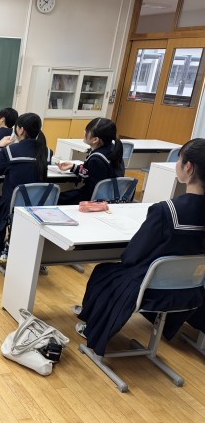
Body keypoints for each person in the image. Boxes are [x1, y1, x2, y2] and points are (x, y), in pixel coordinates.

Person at [75, 138, 205, 356]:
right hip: (191, 290)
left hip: (150, 288)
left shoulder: (166, 210)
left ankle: (93, 329)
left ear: (188, 167)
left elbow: (133, 255)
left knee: (103, 272)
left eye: (179, 159)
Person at [0, 112, 51, 260]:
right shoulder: (47, 152)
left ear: (20, 130)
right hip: (39, 205)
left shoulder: (10, 150)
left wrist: (0, 147)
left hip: (13, 204)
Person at [57, 118, 125, 205]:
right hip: (110, 197)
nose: (84, 132)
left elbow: (91, 192)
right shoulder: (113, 150)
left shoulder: (96, 160)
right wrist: (73, 167)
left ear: (95, 140)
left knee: (55, 197)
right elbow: (92, 173)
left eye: (87, 131)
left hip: (95, 201)